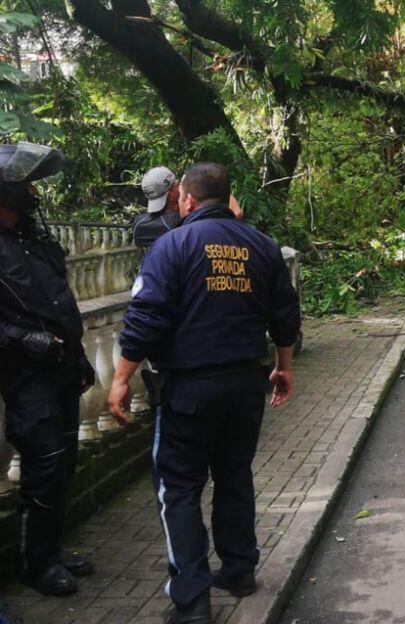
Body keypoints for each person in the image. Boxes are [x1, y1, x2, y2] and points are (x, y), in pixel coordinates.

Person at [107, 163, 300, 624]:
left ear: (186, 200)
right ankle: (238, 571)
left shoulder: (171, 246)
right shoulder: (262, 245)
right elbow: (285, 314)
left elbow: (146, 318)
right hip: (245, 388)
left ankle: (192, 601)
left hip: (189, 391)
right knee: (235, 475)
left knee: (178, 490)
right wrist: (284, 367)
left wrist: (119, 379)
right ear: (228, 197)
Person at [0, 142, 97, 595]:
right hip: (25, 375)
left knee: (65, 461)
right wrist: (25, 340)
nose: (35, 193)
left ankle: (51, 551)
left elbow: (62, 301)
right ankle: (34, 564)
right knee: (43, 463)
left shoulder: (34, 240)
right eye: (27, 185)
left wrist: (77, 357)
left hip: (60, 368)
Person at [132, 166, 181, 248]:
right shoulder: (179, 224)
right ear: (171, 195)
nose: (180, 188)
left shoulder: (139, 224)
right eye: (177, 185)